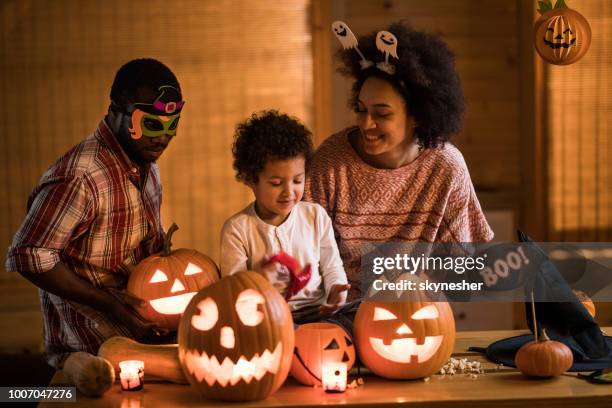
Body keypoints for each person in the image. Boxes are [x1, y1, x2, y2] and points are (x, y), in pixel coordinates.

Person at [5, 58, 185, 368]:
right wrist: (107, 303)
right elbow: (30, 255)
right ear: (116, 112)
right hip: (90, 348)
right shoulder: (82, 176)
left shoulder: (147, 166)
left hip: (141, 334)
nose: (163, 137)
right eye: (151, 124)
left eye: (172, 124)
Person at [306, 22, 494, 301]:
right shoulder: (331, 162)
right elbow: (305, 253)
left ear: (417, 115)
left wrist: (412, 289)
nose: (366, 123)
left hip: (416, 311)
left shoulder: (446, 167)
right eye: (361, 110)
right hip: (339, 314)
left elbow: (460, 269)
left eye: (381, 114)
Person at [220, 110, 351, 326]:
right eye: (276, 183)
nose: (288, 192)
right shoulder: (237, 229)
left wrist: (337, 291)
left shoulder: (315, 216)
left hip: (318, 312)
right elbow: (233, 290)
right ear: (251, 179)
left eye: (297, 181)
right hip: (268, 317)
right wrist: (258, 280)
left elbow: (332, 266)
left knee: (361, 312)